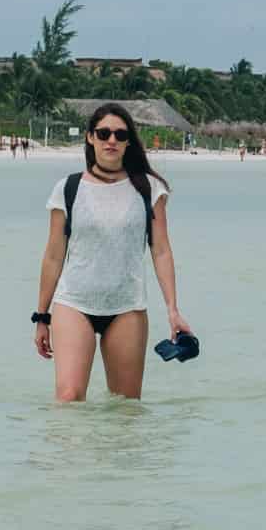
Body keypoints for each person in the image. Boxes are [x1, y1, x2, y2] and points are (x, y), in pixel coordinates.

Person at [32, 103, 190, 402]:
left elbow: (161, 251)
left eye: (120, 134)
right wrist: (41, 316)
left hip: (127, 307)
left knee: (125, 407)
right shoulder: (68, 188)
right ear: (90, 137)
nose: (112, 140)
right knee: (68, 397)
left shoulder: (149, 188)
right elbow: (53, 256)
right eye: (104, 133)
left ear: (129, 141)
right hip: (74, 303)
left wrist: (173, 310)